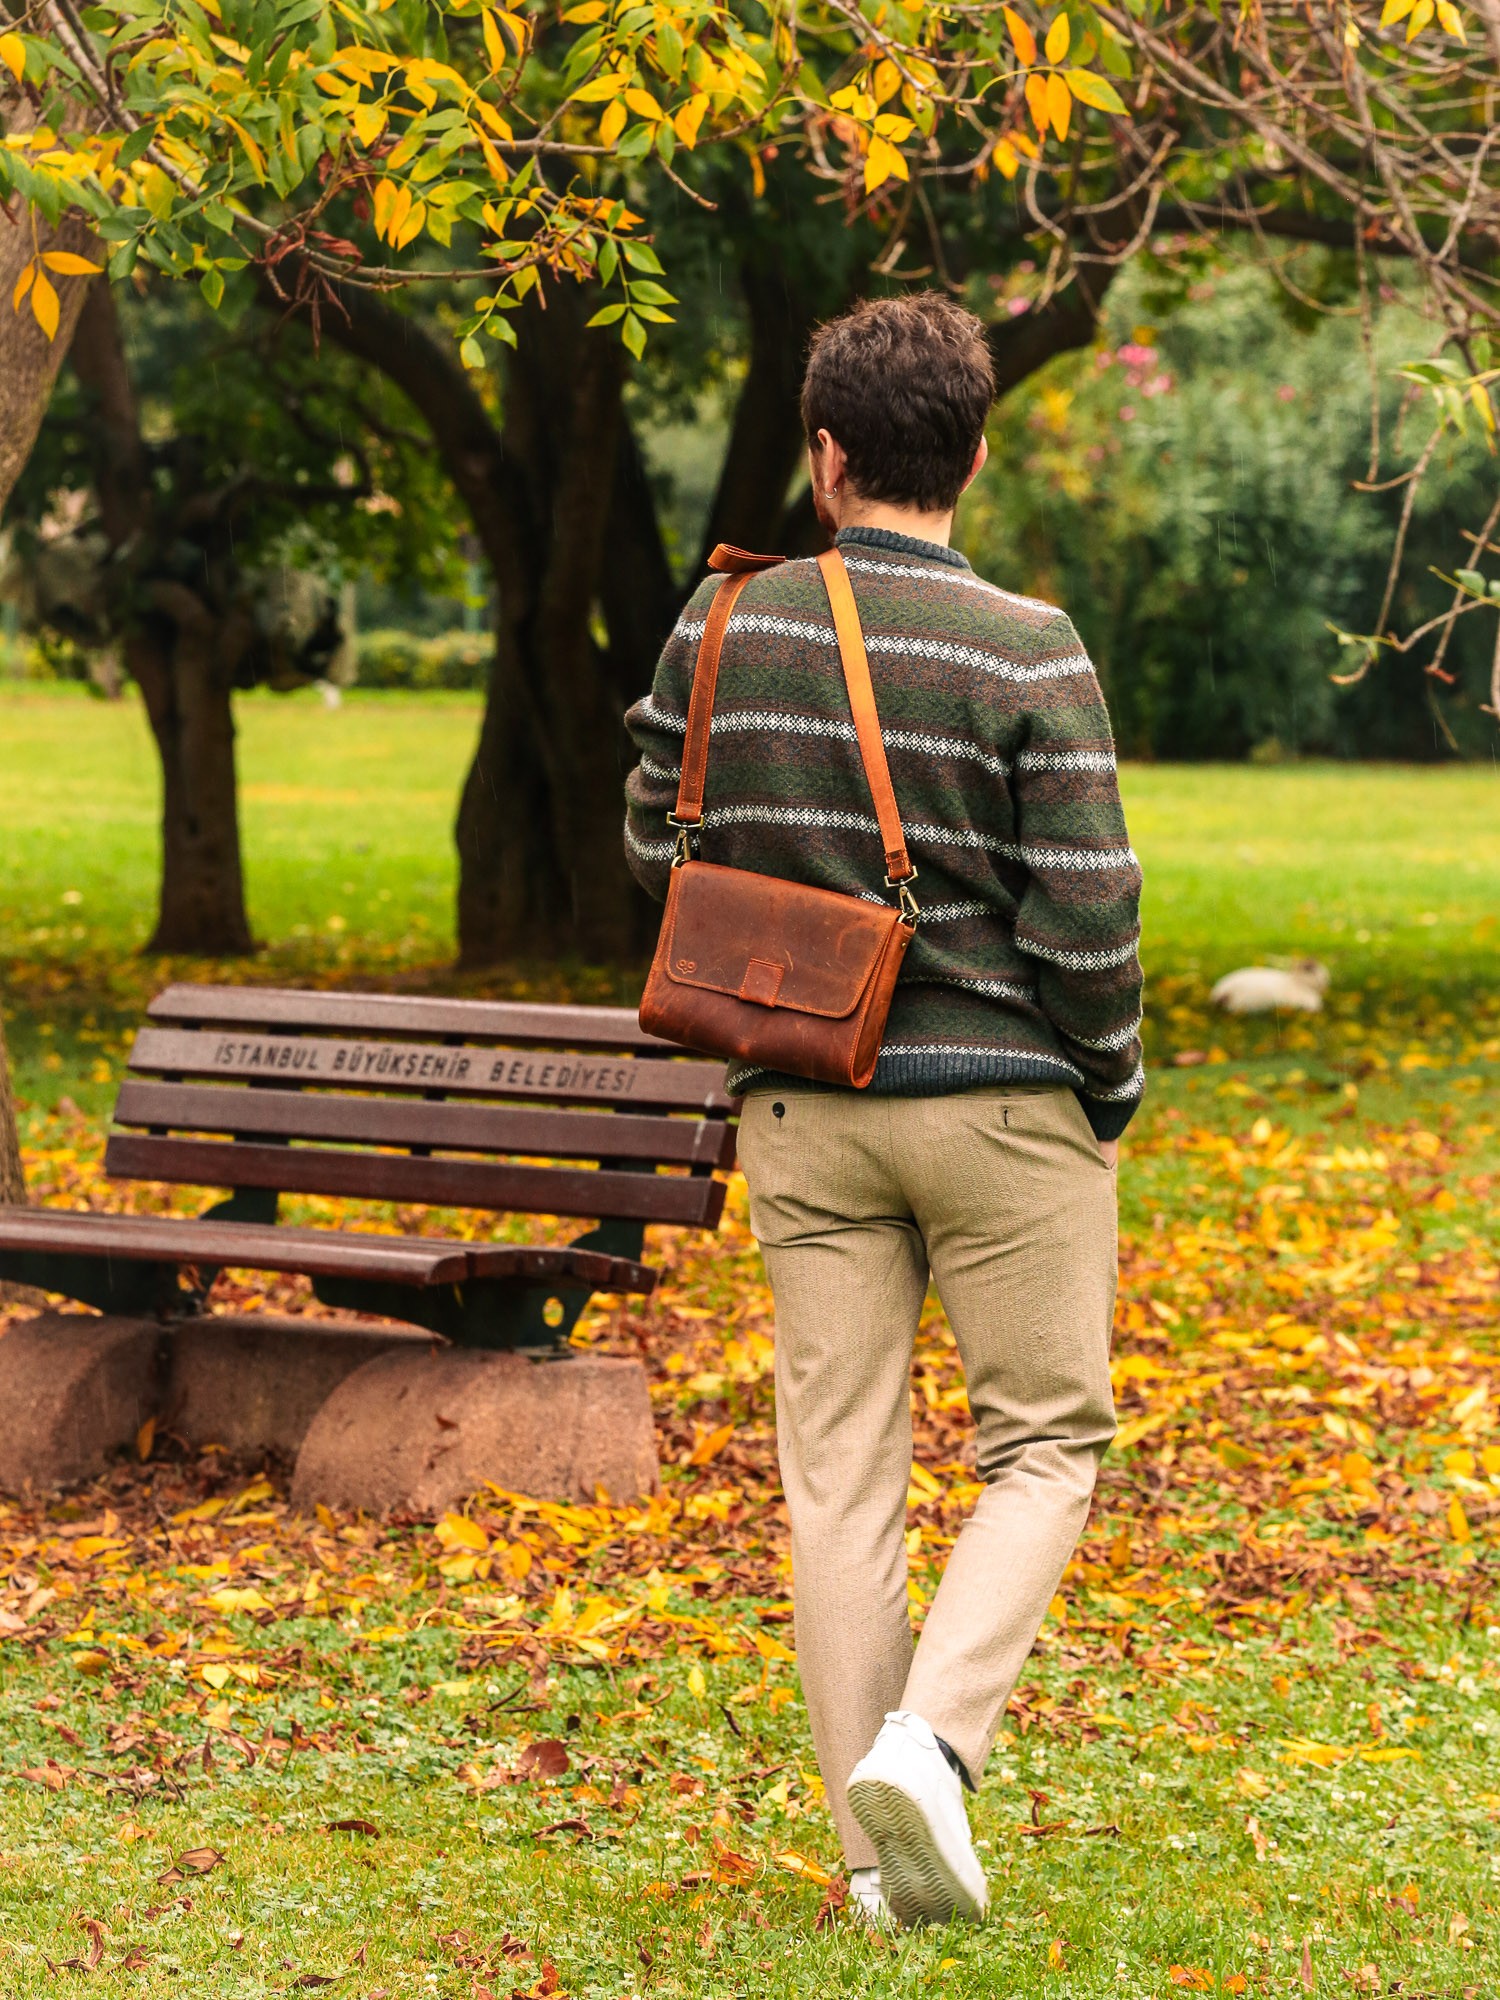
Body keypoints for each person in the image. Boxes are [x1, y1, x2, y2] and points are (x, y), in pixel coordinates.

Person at [622, 293, 1144, 1929]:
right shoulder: (1030, 645)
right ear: (973, 456)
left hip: (800, 1103)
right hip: (1003, 1108)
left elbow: (660, 842)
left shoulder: (722, 628)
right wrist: (1104, 1077)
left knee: (838, 1469)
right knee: (1045, 1441)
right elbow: (1090, 912)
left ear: (826, 454)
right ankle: (932, 1746)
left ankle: (872, 1869)